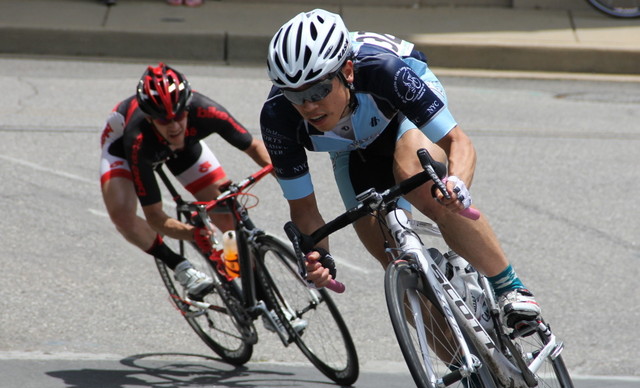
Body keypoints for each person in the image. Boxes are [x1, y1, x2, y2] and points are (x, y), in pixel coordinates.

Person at [260, 9, 541, 329]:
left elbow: (457, 141)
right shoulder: (278, 118)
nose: (308, 106)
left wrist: (457, 184)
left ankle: (509, 287)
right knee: (393, 261)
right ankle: (469, 376)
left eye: (318, 90)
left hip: (402, 111)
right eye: (295, 95)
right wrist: (318, 259)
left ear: (347, 71)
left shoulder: (383, 71)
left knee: (418, 180)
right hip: (351, 147)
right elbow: (305, 212)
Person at [100, 63, 270, 297]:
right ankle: (180, 266)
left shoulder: (205, 110)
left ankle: (260, 295)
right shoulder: (137, 141)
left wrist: (287, 178)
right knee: (121, 214)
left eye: (179, 116)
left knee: (226, 212)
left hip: (185, 148)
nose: (173, 126)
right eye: (163, 120)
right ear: (150, 119)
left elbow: (253, 147)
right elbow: (155, 217)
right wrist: (192, 234)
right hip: (124, 148)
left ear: (188, 107)